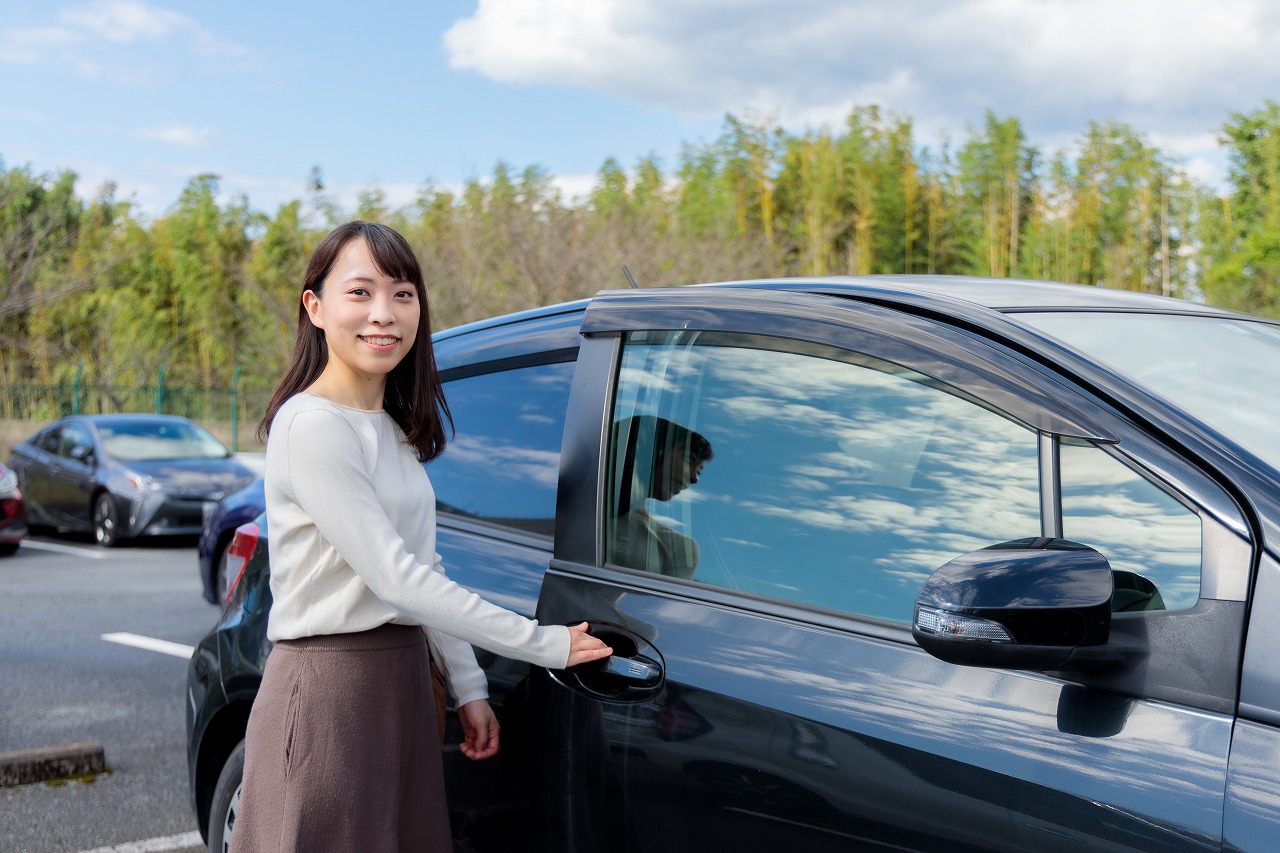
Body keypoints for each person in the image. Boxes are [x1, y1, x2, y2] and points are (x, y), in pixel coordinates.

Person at [230, 221, 612, 853]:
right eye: (361, 292)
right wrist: (544, 645)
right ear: (315, 307)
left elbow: (423, 566)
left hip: (400, 689)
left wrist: (468, 687)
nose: (384, 314)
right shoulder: (312, 425)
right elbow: (396, 579)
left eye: (402, 294)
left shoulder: (390, 430)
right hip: (331, 695)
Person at [609, 416, 713, 580]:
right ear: (653, 449)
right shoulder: (582, 514)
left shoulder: (679, 548)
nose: (694, 478)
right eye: (690, 459)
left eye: (699, 471)